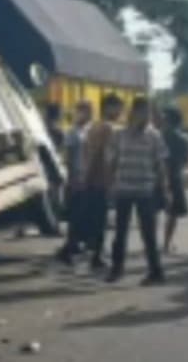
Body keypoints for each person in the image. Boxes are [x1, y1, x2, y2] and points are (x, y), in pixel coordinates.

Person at [105, 97, 168, 284]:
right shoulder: (119, 135)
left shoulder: (155, 136)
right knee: (120, 232)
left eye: (149, 113)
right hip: (123, 189)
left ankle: (156, 271)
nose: (147, 117)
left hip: (145, 191)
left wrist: (165, 189)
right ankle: (117, 269)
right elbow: (110, 161)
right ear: (134, 113)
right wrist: (110, 185)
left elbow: (160, 165)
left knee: (148, 233)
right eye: (144, 112)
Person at [81, 94, 125, 270]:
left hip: (95, 179)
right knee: (100, 220)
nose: (121, 112)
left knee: (97, 218)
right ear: (109, 108)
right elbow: (103, 156)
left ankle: (95, 253)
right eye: (119, 108)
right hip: (101, 180)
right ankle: (97, 256)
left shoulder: (94, 127)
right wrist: (109, 181)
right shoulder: (107, 128)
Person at [55, 100, 94, 265]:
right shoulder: (72, 132)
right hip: (77, 178)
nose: (85, 114)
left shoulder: (89, 130)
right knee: (75, 215)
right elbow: (69, 158)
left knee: (85, 214)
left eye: (88, 111)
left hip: (88, 178)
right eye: (82, 111)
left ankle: (76, 246)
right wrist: (72, 181)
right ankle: (68, 249)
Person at [161, 107, 188, 253]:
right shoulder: (184, 139)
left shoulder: (158, 136)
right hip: (175, 176)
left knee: (152, 210)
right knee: (173, 213)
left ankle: (152, 241)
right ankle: (167, 243)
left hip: (155, 176)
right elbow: (186, 160)